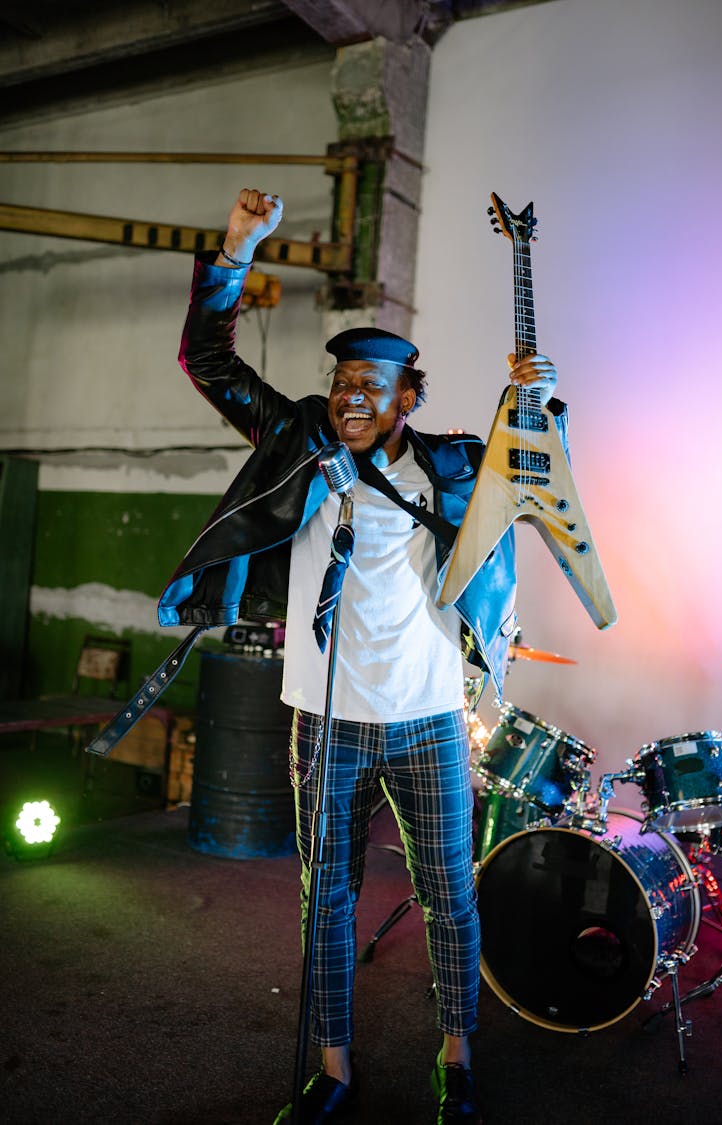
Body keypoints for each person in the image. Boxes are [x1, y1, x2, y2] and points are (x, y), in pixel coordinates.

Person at [158, 189, 566, 1124]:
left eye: (372, 384)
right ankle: (334, 1066)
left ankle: (456, 1054)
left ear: (407, 397)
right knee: (325, 900)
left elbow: (543, 470)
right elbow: (207, 358)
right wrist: (235, 250)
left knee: (449, 897)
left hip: (426, 717)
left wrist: (538, 401)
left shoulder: (459, 465)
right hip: (325, 716)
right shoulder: (296, 442)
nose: (351, 395)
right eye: (342, 380)